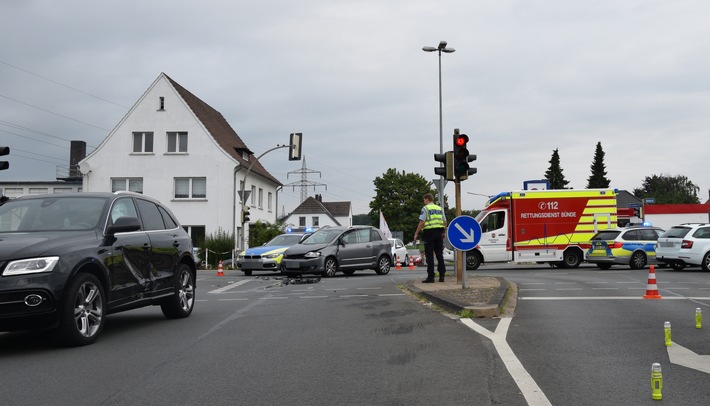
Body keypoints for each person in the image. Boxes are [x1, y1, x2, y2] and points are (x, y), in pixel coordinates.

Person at [413, 193, 447, 283]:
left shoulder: (425, 208)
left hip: (429, 233)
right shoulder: (440, 209)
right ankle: (442, 275)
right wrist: (443, 232)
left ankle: (431, 277)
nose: (424, 201)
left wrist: (416, 233)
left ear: (427, 199)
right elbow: (444, 221)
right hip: (439, 233)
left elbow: (422, 222)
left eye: (424, 199)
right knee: (439, 254)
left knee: (429, 255)